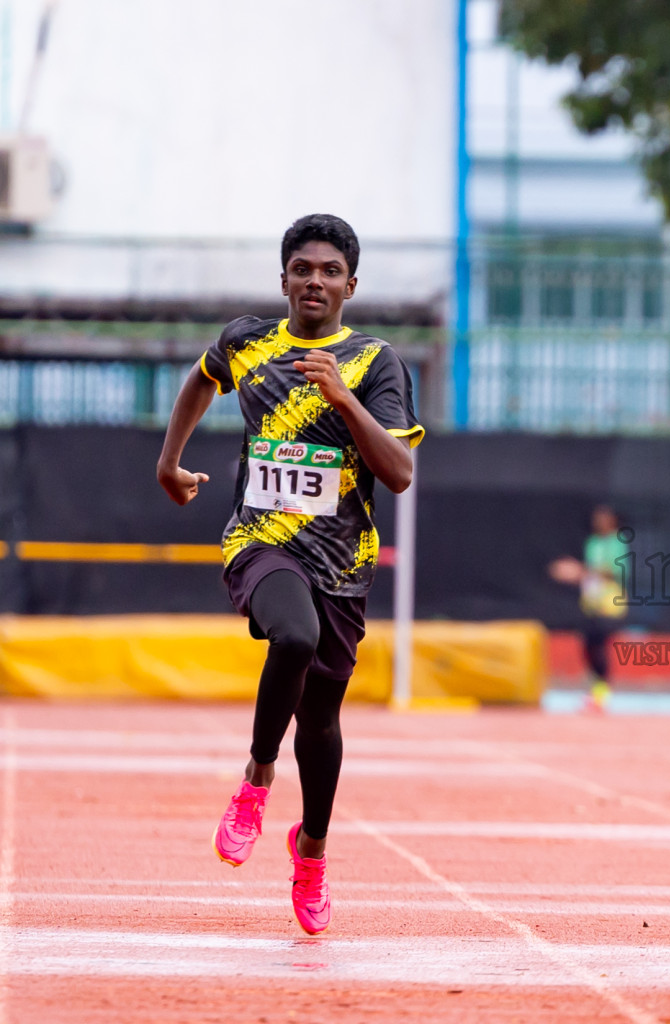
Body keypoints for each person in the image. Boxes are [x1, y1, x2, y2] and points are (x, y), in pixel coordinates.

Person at [156, 214, 423, 934]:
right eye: (302, 268)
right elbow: (199, 379)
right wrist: (169, 460)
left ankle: (311, 852)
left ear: (350, 286)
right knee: (293, 639)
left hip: (342, 561)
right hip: (261, 542)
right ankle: (255, 778)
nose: (315, 280)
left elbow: (398, 473)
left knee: (324, 721)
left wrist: (342, 399)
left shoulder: (374, 363)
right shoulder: (248, 341)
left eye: (330, 271)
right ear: (283, 279)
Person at [549, 505, 631, 711]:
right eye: (597, 518)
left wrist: (580, 571)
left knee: (600, 645)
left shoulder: (617, 542)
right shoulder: (592, 543)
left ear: (612, 521)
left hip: (611, 604)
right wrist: (574, 575)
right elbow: (589, 574)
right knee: (588, 646)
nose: (599, 522)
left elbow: (613, 572)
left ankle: (602, 693)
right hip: (591, 603)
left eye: (603, 518)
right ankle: (596, 690)